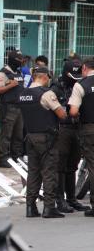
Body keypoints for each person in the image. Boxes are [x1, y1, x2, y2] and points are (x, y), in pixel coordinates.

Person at [19, 66, 67, 218]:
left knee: (33, 172)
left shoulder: (23, 93)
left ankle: (30, 207)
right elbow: (62, 115)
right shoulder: (47, 94)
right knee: (49, 172)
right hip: (46, 138)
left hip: (30, 137)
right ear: (45, 77)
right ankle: (49, 207)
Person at [51, 57, 90, 213]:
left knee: (72, 166)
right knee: (60, 165)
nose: (76, 81)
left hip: (77, 129)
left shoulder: (79, 86)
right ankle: (59, 200)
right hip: (62, 130)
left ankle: (71, 199)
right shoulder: (55, 88)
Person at [68, 57, 94, 217]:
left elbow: (73, 111)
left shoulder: (80, 85)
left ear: (84, 68)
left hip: (89, 129)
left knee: (92, 166)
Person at [0, 50, 25, 168]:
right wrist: (11, 85)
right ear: (13, 60)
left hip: (20, 107)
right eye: (19, 60)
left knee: (18, 135)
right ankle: (3, 159)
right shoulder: (3, 74)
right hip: (8, 108)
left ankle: (16, 158)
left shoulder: (18, 72)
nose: (21, 63)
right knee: (7, 134)